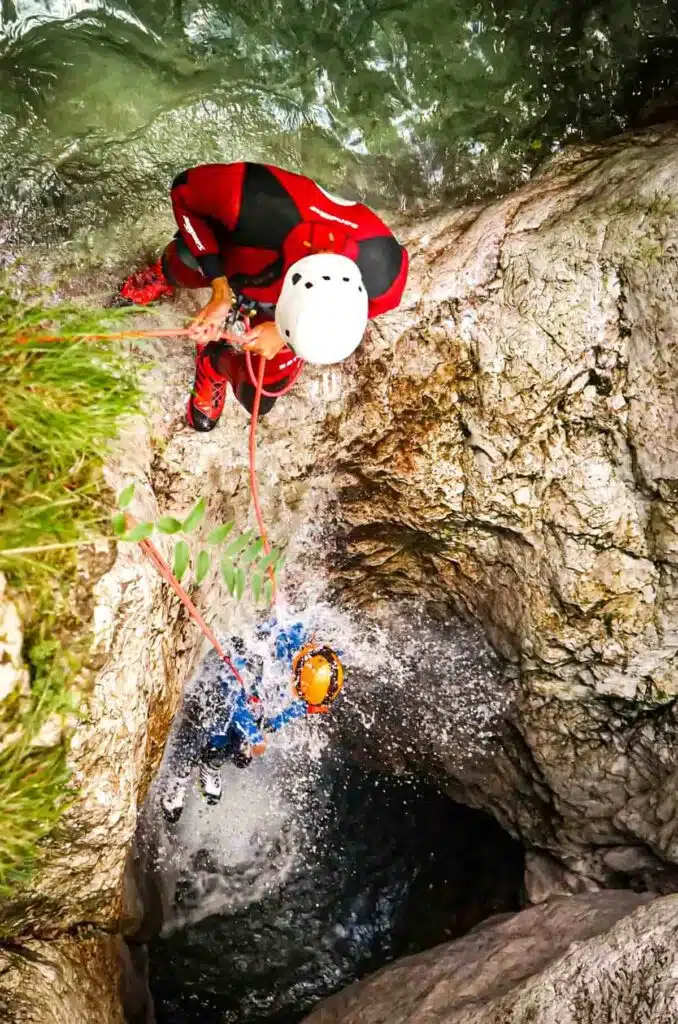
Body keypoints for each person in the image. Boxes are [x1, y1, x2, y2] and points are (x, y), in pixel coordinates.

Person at [118, 162, 409, 430]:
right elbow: (184, 191)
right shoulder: (253, 197)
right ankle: (165, 273)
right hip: (246, 246)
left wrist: (283, 336)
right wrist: (220, 287)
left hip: (274, 272)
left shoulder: (384, 275)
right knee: (185, 261)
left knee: (258, 394)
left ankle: (212, 361)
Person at [160, 623, 344, 823]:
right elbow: (237, 703)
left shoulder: (311, 662)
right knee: (210, 720)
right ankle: (178, 777)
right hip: (219, 682)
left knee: (241, 754)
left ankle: (210, 762)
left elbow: (295, 705)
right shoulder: (265, 657)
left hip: (243, 694)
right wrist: (255, 737)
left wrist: (268, 726)